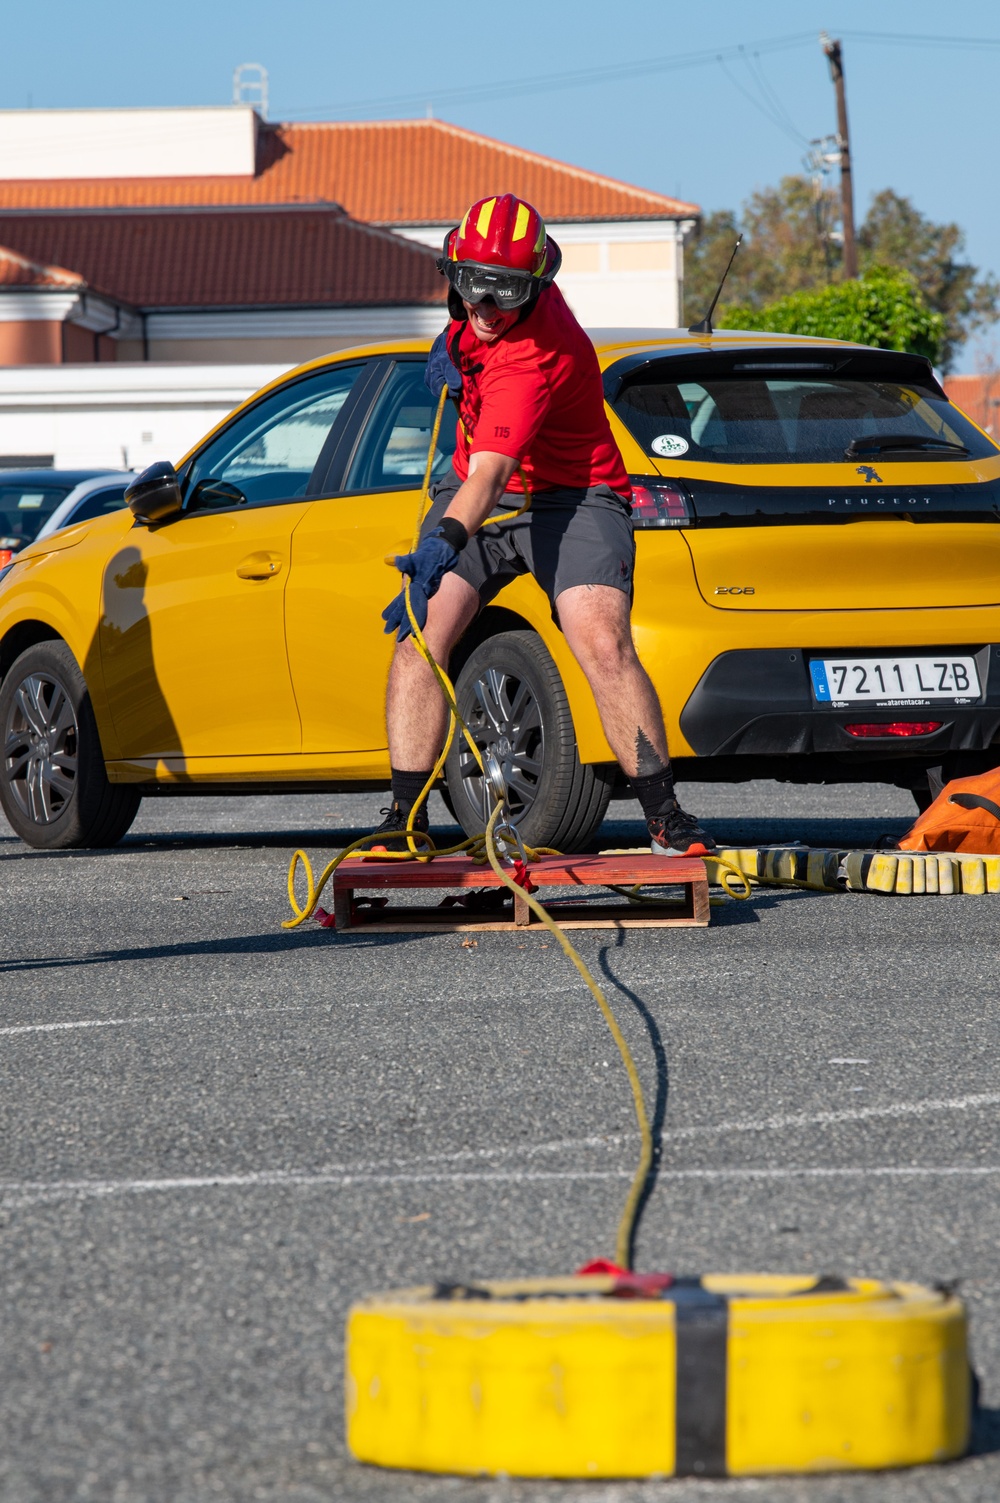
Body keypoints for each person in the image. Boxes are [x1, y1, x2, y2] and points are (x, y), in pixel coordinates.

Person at [377, 193, 716, 858]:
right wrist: (455, 346)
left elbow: (491, 477)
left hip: (572, 494)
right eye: (473, 286)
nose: (486, 309)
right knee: (422, 635)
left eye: (505, 294)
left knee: (602, 643)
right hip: (482, 485)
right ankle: (402, 819)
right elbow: (472, 325)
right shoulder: (480, 309)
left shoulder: (532, 358)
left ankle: (666, 817)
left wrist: (442, 543)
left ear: (537, 288)